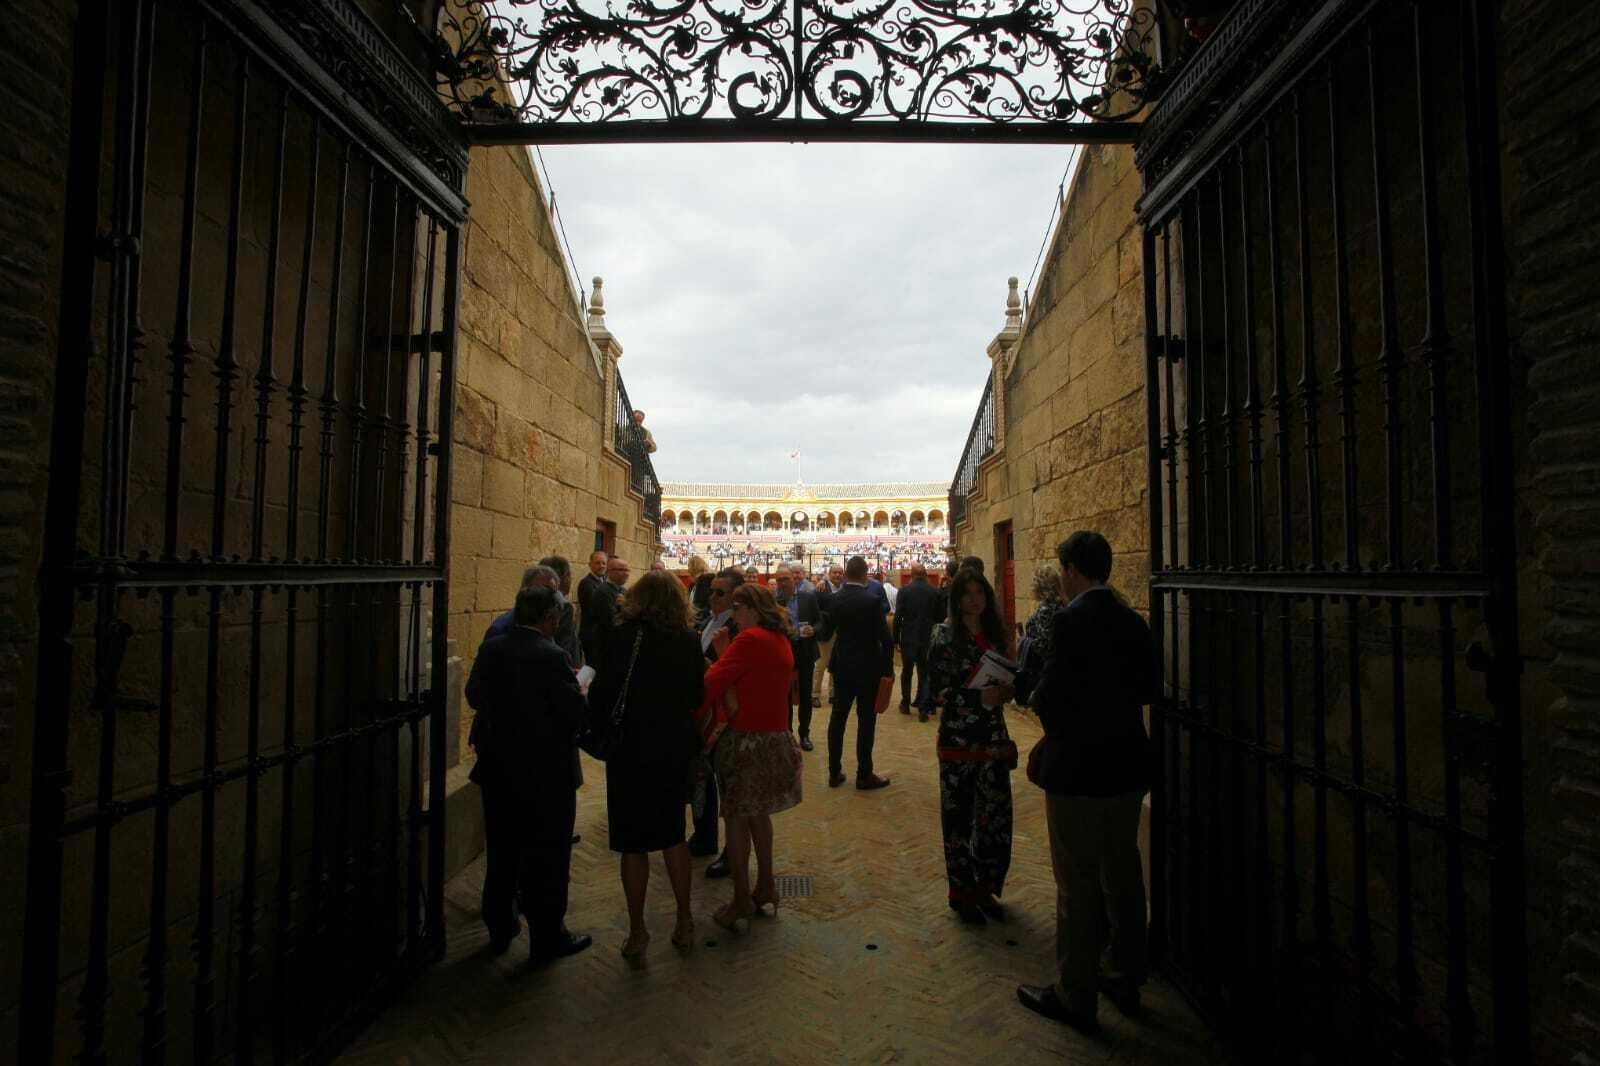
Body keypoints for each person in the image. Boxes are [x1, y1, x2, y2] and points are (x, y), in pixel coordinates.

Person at [1016, 532, 1155, 1032]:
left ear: (1072, 569)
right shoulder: (1132, 620)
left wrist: (1032, 697)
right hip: (1126, 763)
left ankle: (1076, 994)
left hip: (1078, 767)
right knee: (1123, 872)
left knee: (1076, 881)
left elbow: (1050, 694)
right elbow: (1146, 687)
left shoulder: (1071, 621)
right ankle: (1127, 974)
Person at [464, 586, 592, 961]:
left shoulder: (492, 648)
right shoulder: (551, 655)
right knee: (547, 857)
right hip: (545, 774)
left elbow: (474, 695)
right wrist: (580, 693)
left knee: (502, 851)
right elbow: (574, 714)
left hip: (498, 768)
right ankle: (547, 938)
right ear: (550, 618)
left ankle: (500, 925)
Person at [588, 570, 706, 961]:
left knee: (632, 843)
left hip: (629, 749)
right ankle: (685, 921)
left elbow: (603, 693)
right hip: (670, 747)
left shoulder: (620, 637)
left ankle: (638, 932)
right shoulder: (687, 640)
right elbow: (694, 696)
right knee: (673, 835)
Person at [702, 583, 804, 932]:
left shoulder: (750, 640)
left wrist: (719, 655)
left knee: (735, 818)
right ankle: (767, 885)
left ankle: (742, 898)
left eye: (737, 608)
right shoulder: (779, 639)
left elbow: (713, 682)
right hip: (773, 737)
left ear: (752, 609)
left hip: (746, 740)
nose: (733, 616)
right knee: (759, 815)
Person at [925, 568, 1016, 926]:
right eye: (967, 593)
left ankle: (985, 889)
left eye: (979, 592)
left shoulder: (996, 634)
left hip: (992, 735)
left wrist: (1008, 691)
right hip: (959, 738)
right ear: (956, 598)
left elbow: (1009, 676)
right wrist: (980, 697)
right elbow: (936, 692)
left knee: (993, 817)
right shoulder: (943, 635)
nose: (974, 599)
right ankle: (962, 893)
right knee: (959, 818)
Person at [816, 555, 895, 790]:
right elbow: (886, 639)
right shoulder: (871, 600)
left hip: (841, 667)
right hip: (868, 668)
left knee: (838, 718)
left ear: (847, 574)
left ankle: (834, 771)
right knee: (866, 721)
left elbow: (826, 631)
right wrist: (888, 669)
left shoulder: (834, 599)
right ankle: (864, 774)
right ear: (864, 574)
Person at [691, 568, 745, 875]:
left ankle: (730, 850)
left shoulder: (738, 632)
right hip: (705, 714)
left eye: (719, 593)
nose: (711, 597)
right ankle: (705, 836)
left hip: (724, 717)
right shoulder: (706, 622)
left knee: (728, 785)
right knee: (703, 778)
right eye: (711, 591)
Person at [773, 568, 821, 750]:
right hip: (784, 653)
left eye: (785, 579)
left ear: (794, 580)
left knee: (805, 694)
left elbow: (820, 621)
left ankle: (804, 734)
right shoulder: (774, 602)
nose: (782, 583)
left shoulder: (808, 598)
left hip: (805, 651)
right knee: (783, 696)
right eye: (779, 580)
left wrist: (813, 630)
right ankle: (788, 734)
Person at [892, 562, 940, 719]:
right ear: (925, 574)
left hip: (909, 637)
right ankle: (923, 707)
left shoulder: (904, 591)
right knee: (924, 673)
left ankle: (905, 703)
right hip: (927, 637)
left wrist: (896, 638)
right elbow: (938, 617)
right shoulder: (934, 591)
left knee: (907, 672)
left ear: (911, 575)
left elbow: (898, 616)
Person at [1016, 567, 1065, 706]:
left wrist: (1024, 641)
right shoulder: (1061, 604)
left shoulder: (1046, 609)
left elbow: (1045, 645)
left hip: (1043, 673)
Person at [812, 562, 846, 710]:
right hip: (826, 633)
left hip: (841, 632)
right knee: (821, 664)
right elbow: (815, 612)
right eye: (835, 573)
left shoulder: (845, 589)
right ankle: (814, 694)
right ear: (829, 574)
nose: (837, 575)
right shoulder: (821, 589)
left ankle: (833, 694)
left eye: (840, 573)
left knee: (837, 664)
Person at [577, 550, 610, 665]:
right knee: (591, 669)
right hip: (592, 636)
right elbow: (594, 609)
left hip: (600, 637)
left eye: (603, 563)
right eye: (597, 563)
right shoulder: (586, 584)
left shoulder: (604, 582)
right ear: (590, 564)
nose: (601, 566)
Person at [687, 555, 714, 626]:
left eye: (689, 566)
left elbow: (703, 605)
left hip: (700, 622)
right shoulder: (693, 585)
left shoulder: (704, 582)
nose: (688, 569)